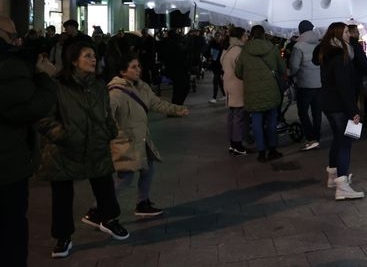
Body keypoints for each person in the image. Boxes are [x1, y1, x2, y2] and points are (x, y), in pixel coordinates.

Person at [36, 43, 129, 259]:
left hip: (96, 144)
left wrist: (110, 130)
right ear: (73, 60)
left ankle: (109, 219)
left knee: (104, 184)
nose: (94, 59)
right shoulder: (57, 86)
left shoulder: (98, 85)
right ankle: (63, 236)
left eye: (94, 56)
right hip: (64, 150)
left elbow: (106, 113)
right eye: (88, 56)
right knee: (62, 195)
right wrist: (63, 135)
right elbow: (44, 118)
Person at [0, 16, 57, 267]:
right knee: (11, 229)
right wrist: (45, 78)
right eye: (13, 35)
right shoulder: (9, 64)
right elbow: (27, 108)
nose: (17, 40)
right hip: (7, 163)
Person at [107, 54, 189, 218]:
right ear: (123, 71)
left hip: (142, 139)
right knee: (125, 178)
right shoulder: (115, 92)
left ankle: (142, 203)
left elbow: (156, 103)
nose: (139, 70)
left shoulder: (142, 87)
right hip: (127, 141)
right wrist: (117, 133)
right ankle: (99, 208)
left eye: (139, 66)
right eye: (134, 67)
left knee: (148, 170)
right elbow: (106, 115)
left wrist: (177, 109)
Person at [313, 22, 365, 200]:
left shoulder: (326, 53)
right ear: (337, 34)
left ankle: (333, 176)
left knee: (338, 139)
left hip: (328, 103)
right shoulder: (339, 56)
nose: (349, 35)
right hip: (339, 105)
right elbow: (343, 86)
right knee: (345, 143)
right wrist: (353, 110)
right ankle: (342, 186)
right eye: (345, 32)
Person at [235, 25, 285, 162]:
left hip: (252, 92)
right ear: (264, 34)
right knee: (272, 121)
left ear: (252, 35)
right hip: (272, 91)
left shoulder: (245, 50)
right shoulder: (272, 48)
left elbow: (238, 72)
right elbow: (282, 69)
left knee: (256, 122)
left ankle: (261, 152)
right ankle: (273, 149)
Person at [289, 20, 322, 151]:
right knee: (317, 112)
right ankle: (317, 137)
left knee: (303, 112)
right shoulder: (319, 43)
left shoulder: (298, 46)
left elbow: (294, 66)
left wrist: (292, 74)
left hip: (304, 84)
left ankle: (311, 138)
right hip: (319, 83)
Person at [221, 27, 249, 155]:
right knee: (238, 116)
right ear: (239, 37)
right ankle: (238, 144)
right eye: (245, 36)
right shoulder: (238, 51)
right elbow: (241, 70)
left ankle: (232, 144)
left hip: (228, 84)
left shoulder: (228, 49)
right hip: (237, 85)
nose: (246, 38)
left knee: (232, 115)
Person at [206, 31, 225, 104]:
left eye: (219, 36)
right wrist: (209, 58)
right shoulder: (212, 43)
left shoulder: (223, 44)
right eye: (216, 36)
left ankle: (214, 97)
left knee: (216, 80)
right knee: (219, 80)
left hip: (220, 64)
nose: (217, 37)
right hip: (214, 64)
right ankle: (224, 94)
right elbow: (208, 52)